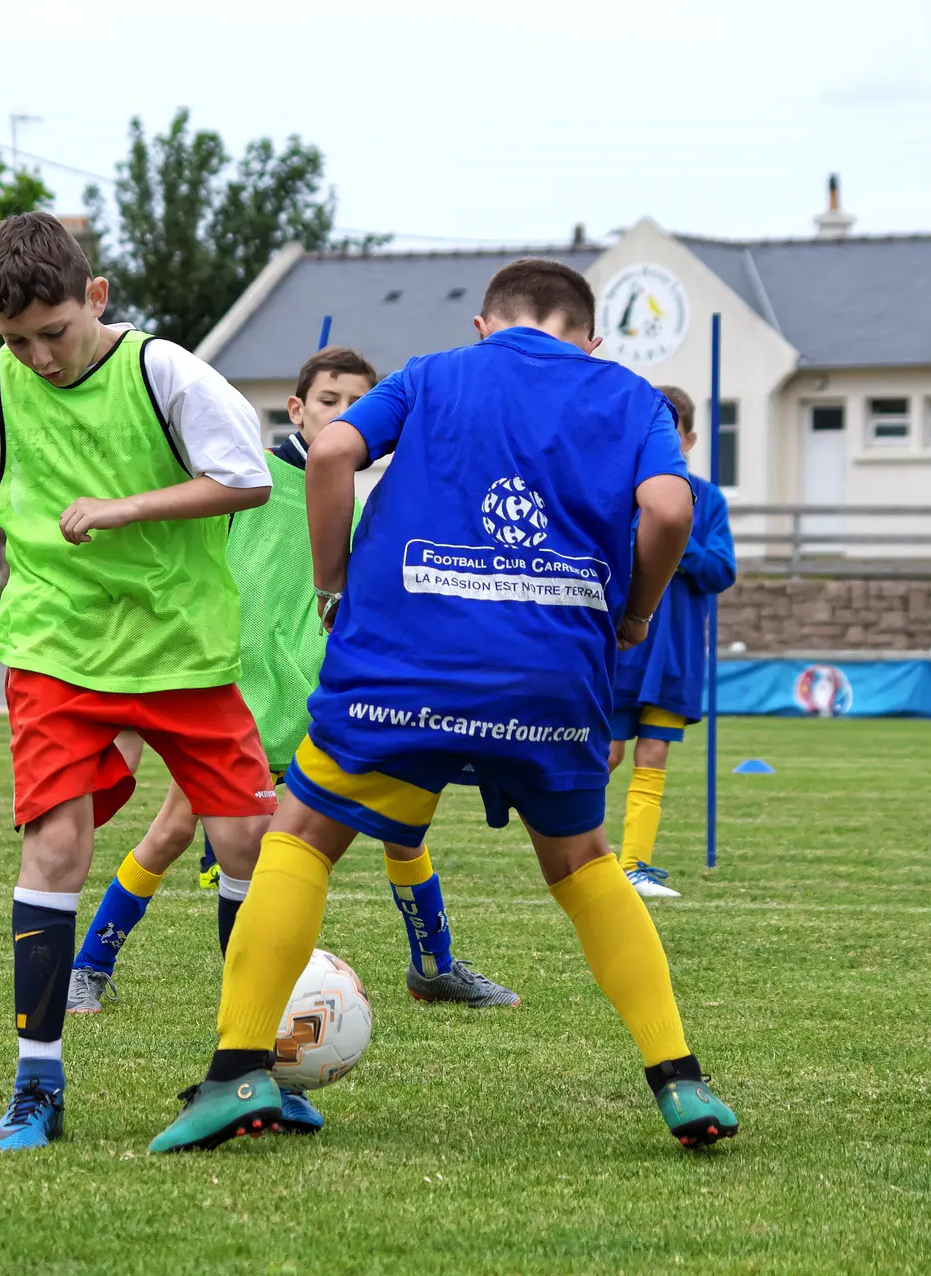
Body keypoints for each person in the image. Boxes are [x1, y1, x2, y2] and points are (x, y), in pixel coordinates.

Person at [150, 257, 739, 1154]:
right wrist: (636, 614)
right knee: (585, 864)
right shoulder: (629, 396)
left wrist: (331, 580)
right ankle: (680, 1078)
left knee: (300, 838)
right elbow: (667, 509)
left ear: (483, 325)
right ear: (590, 340)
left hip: (405, 661)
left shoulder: (433, 374)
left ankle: (236, 1070)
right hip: (553, 674)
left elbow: (333, 453)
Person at [0, 211, 276, 1152]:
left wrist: (125, 508)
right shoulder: (0, 374)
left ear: (95, 297)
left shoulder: (166, 373)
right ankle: (36, 1086)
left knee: (247, 843)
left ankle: (248, 1067)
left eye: (54, 333)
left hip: (180, 648)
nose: (40, 358)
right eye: (17, 339)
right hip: (55, 644)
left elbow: (247, 479)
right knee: (55, 849)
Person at [67, 349, 519, 1045]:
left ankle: (434, 965)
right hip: (241, 700)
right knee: (173, 831)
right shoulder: (250, 482)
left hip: (329, 700)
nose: (344, 414)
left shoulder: (367, 506)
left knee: (404, 826)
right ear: (297, 409)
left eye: (359, 403)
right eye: (330, 400)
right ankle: (90, 966)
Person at [608, 386, 737, 899]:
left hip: (674, 653)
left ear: (689, 440)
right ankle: (586, 858)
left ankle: (634, 865)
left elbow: (721, 570)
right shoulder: (616, 490)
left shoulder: (708, 500)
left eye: (671, 432)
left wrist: (676, 541)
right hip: (620, 649)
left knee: (654, 752)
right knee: (606, 754)